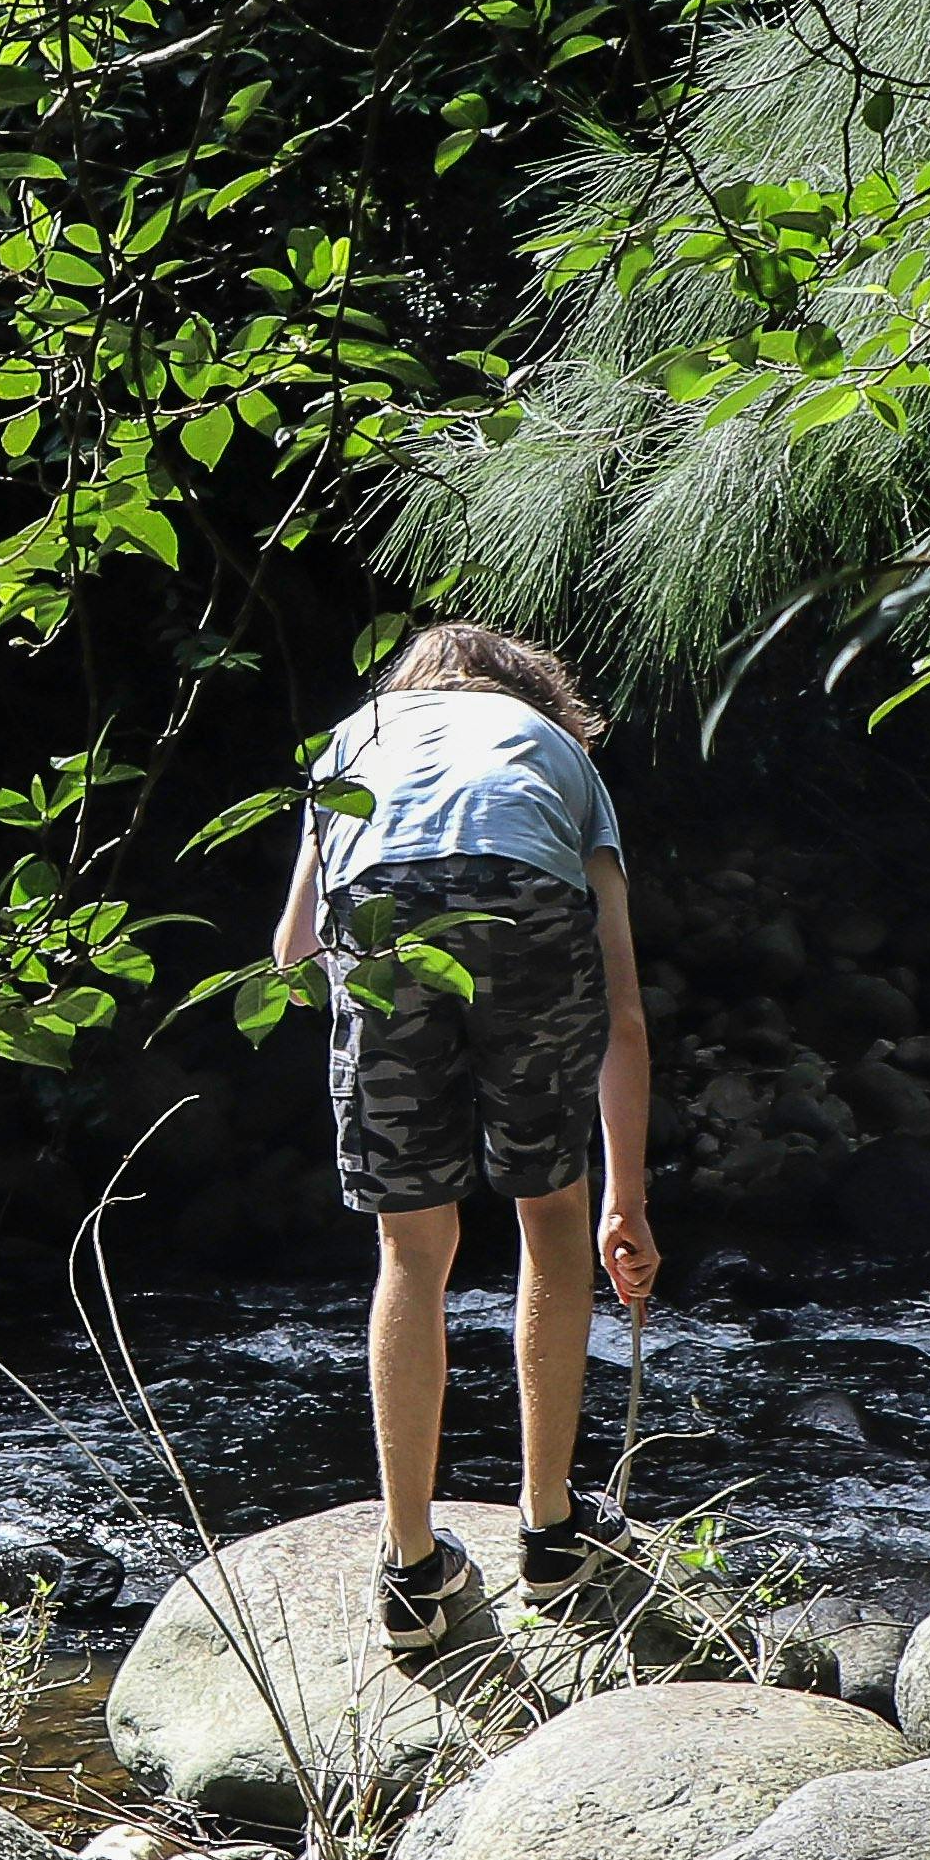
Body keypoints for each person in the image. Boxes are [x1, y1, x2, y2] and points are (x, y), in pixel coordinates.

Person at [269, 621, 662, 1641]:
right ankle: (552, 1530)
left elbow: (290, 951)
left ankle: (409, 1567)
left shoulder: (354, 739)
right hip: (530, 906)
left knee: (412, 1244)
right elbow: (622, 1008)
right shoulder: (557, 752)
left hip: (380, 919)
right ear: (536, 692)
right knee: (553, 1211)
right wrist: (628, 1195)